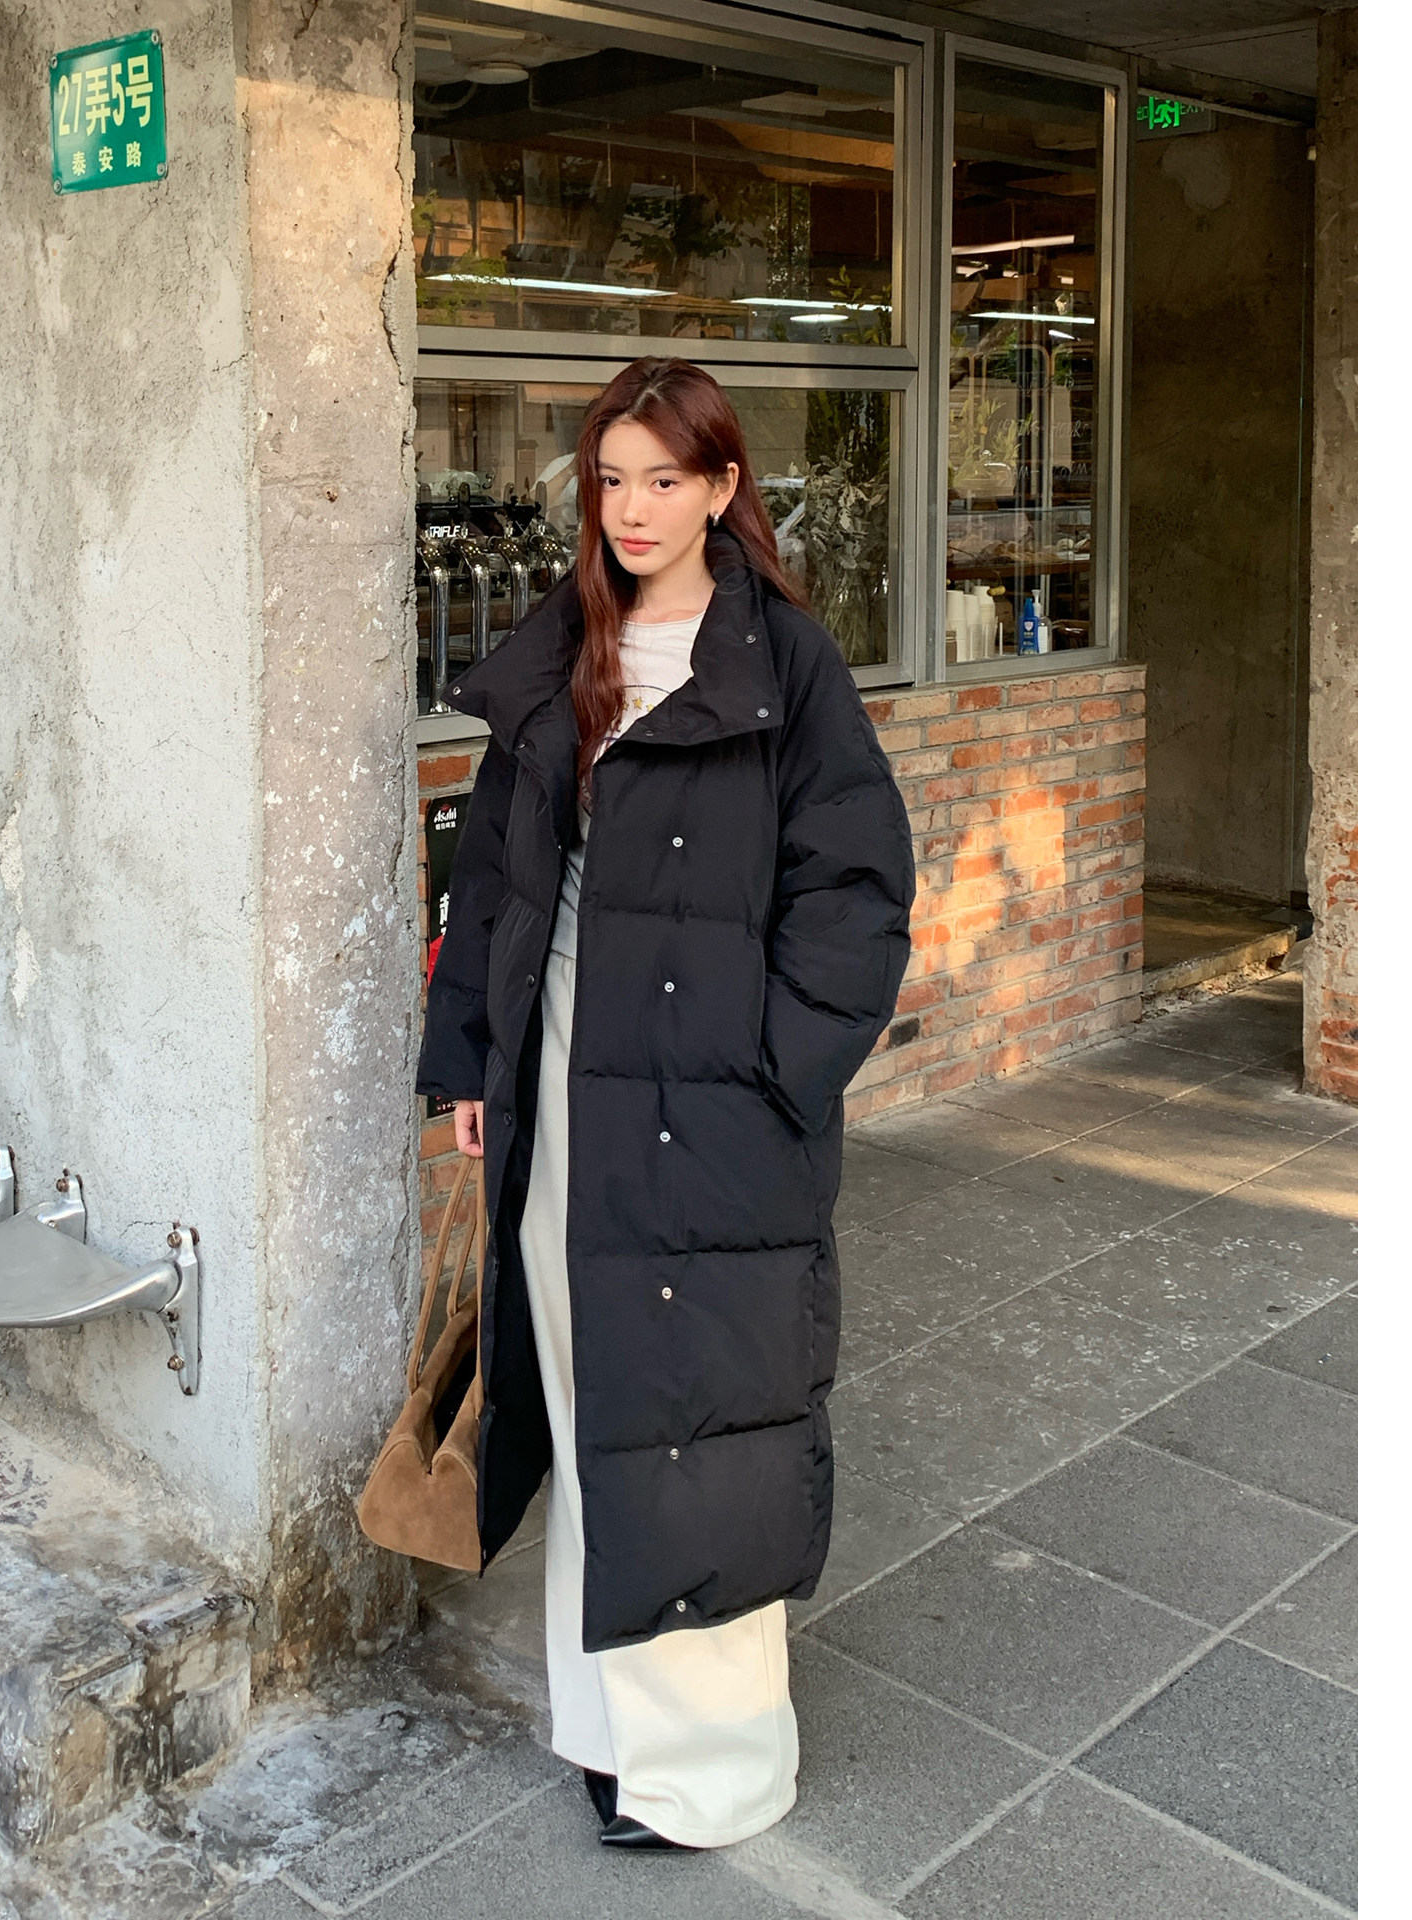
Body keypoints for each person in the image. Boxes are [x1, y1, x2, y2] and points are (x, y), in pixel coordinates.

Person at [415, 357, 915, 1850]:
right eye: (611, 479)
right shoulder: (567, 641)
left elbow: (858, 889)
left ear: (721, 487)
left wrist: (776, 1070)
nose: (633, 509)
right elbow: (495, 878)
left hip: (714, 1088)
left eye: (664, 478)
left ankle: (713, 1769)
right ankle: (611, 1727)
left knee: (700, 1410)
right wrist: (473, 1063)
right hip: (566, 1063)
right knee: (588, 1388)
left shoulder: (785, 661)